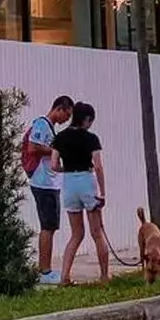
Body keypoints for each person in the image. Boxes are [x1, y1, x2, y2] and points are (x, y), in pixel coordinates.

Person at [50, 101, 110, 286]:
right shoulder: (91, 138)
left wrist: (67, 170)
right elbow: (98, 167)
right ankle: (104, 276)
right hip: (86, 181)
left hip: (69, 184)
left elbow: (53, 165)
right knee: (97, 233)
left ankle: (64, 277)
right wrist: (102, 193)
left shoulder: (60, 137)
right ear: (86, 119)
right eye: (90, 121)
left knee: (76, 234)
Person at [24, 95, 74, 285]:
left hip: (50, 182)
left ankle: (45, 269)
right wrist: (55, 151)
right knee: (48, 226)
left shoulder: (50, 128)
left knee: (51, 226)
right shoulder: (41, 124)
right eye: (66, 115)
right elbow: (32, 148)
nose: (66, 120)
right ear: (59, 108)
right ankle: (44, 271)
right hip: (43, 182)